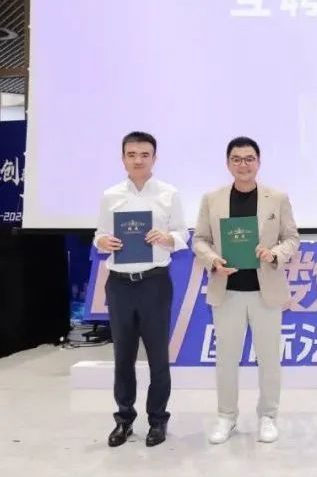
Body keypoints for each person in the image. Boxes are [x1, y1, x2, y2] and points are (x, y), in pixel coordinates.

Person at [193, 136, 300, 444]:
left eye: (249, 158)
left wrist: (274, 254)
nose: (243, 164)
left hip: (265, 291)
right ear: (228, 164)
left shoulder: (276, 198)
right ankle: (226, 416)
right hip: (227, 290)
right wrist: (213, 260)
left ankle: (268, 416)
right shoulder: (212, 199)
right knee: (226, 358)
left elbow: (292, 238)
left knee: (269, 358)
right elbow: (200, 239)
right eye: (237, 159)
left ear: (258, 162)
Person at [94, 131, 189, 447]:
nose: (138, 160)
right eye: (131, 154)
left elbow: (182, 234)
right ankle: (124, 419)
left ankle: (158, 421)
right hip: (120, 285)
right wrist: (103, 241)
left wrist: (168, 238)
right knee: (123, 356)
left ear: (154, 158)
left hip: (154, 282)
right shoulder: (110, 195)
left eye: (144, 154)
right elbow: (99, 234)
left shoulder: (169, 193)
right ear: (123, 158)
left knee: (158, 356)